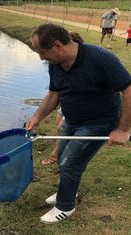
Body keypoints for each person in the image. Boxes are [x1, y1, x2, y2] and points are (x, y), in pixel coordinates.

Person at [27, 23, 131, 224]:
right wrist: (37, 117)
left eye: (42, 52)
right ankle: (68, 190)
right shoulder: (55, 64)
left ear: (58, 45)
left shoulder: (100, 59)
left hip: (99, 122)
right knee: (63, 156)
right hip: (72, 119)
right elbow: (54, 94)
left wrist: (123, 130)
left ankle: (65, 206)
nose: (41, 58)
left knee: (70, 162)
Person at [41, 31, 83, 166]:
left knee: (61, 128)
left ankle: (56, 156)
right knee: (58, 124)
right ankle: (61, 152)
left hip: (76, 105)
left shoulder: (82, 65)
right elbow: (54, 92)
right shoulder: (57, 65)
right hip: (65, 103)